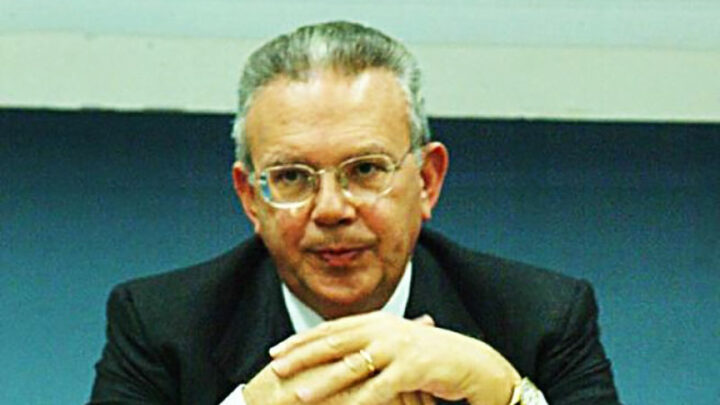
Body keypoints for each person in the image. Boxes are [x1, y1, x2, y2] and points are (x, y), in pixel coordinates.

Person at [89, 21, 620, 405]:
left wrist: (507, 395)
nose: (331, 209)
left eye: (365, 170)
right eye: (292, 176)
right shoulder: (161, 325)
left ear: (427, 181)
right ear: (251, 198)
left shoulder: (540, 318)